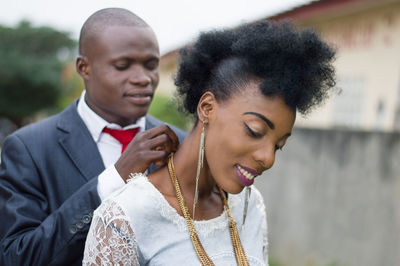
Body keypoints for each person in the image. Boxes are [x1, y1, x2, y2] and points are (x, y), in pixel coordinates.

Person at [82, 20, 336, 265]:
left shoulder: (250, 205)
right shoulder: (125, 217)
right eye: (255, 131)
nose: (268, 158)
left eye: (279, 145)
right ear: (207, 108)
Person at [0, 8, 186, 266]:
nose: (143, 79)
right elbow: (16, 257)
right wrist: (114, 178)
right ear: (84, 67)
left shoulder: (182, 143)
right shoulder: (28, 149)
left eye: (151, 65)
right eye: (122, 66)